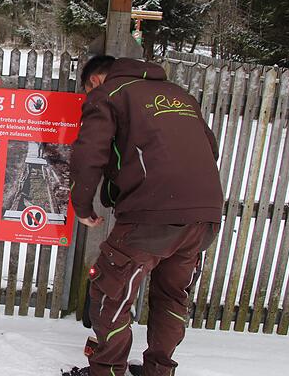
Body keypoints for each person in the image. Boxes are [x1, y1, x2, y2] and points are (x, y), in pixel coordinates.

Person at [62, 56, 223, 376]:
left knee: (110, 290)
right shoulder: (180, 95)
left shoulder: (109, 93)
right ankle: (159, 371)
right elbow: (210, 150)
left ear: (94, 81)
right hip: (204, 216)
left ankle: (105, 371)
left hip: (151, 215)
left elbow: (90, 153)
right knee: (172, 295)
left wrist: (81, 205)